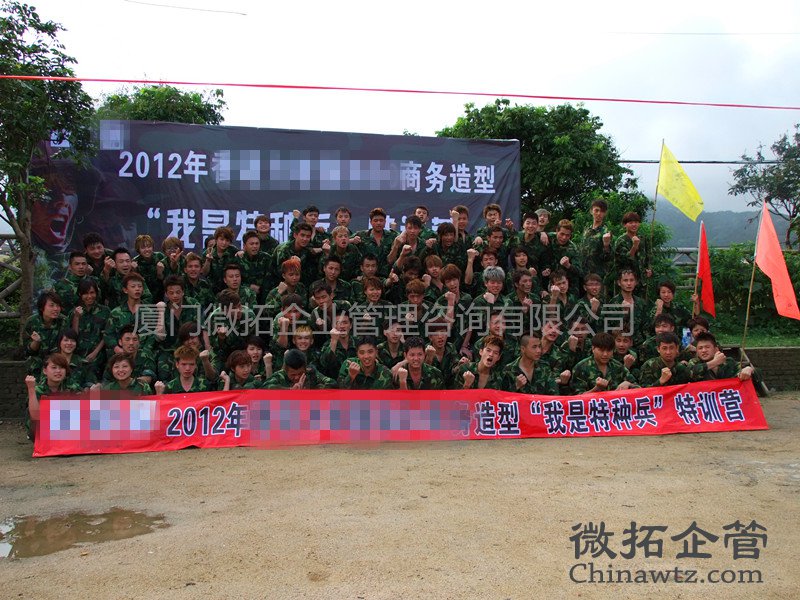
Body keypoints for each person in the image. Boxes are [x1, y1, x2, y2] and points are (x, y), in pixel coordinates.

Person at [24, 353, 81, 440]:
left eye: (62, 367)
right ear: (45, 371)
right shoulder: (38, 390)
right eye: (54, 367)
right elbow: (35, 416)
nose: (58, 371)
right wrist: (31, 389)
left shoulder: (73, 388)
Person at [570, 332, 639, 394]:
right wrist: (597, 388)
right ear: (593, 349)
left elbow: (639, 389)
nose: (605, 354)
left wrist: (629, 384)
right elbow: (577, 398)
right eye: (601, 350)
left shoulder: (618, 366)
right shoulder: (581, 368)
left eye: (609, 351)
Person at [25, 290, 68, 375]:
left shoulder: (63, 320)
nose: (56, 309)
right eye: (51, 305)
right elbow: (28, 351)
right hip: (37, 361)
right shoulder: (32, 322)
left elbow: (67, 344)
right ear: (42, 308)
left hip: (57, 361)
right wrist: (36, 342)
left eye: (58, 305)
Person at [689, 332, 754, 382]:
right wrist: (715, 362)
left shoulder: (729, 362)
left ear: (716, 349)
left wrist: (748, 369)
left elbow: (743, 370)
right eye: (700, 348)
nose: (704, 350)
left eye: (707, 347)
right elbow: (690, 373)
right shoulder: (694, 362)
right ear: (697, 351)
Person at [262, 348, 337, 389]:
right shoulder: (280, 376)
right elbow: (265, 388)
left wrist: (314, 391)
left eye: (300, 373)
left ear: (305, 368)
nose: (297, 377)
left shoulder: (310, 371)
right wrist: (290, 391)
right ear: (285, 370)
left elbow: (332, 383)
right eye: (293, 375)